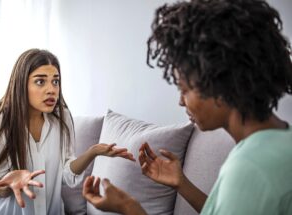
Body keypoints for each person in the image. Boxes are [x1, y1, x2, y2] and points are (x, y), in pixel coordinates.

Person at [82, 0, 292, 214]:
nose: (181, 101)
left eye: (184, 89)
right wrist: (182, 183)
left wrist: (129, 207)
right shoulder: (278, 141)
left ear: (218, 84)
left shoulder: (249, 168)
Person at [0, 48, 135, 215]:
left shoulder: (62, 117)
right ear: (21, 83)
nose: (51, 89)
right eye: (40, 81)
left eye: (55, 81)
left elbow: (66, 175)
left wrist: (92, 152)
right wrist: (8, 183)